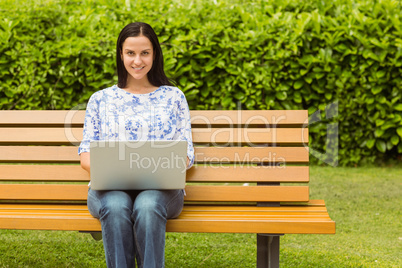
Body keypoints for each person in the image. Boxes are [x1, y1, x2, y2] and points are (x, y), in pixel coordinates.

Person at [78, 22, 194, 268]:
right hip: (108, 191)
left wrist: (164, 167)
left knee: (148, 204)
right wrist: (113, 171)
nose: (137, 61)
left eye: (145, 53)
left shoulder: (174, 97)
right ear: (121, 54)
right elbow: (86, 155)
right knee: (115, 205)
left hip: (162, 191)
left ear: (155, 54)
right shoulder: (100, 99)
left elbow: (186, 154)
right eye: (130, 53)